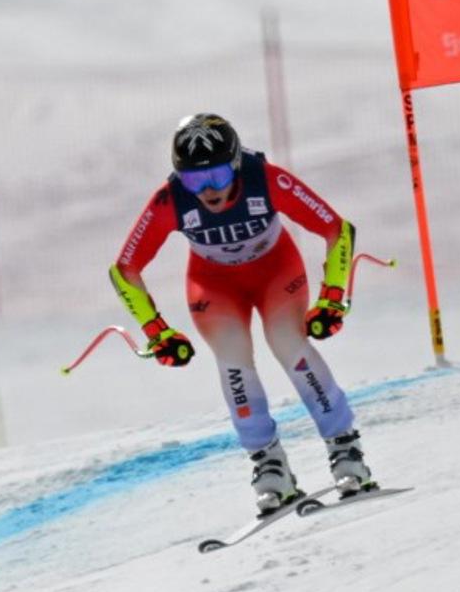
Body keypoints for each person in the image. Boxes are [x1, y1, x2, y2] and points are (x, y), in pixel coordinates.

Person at [110, 113, 377, 516]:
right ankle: (269, 465)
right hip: (214, 285)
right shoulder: (171, 199)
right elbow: (124, 269)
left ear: (235, 164)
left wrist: (332, 298)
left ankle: (345, 449)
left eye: (216, 176)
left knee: (288, 342)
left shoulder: (265, 178)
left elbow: (337, 228)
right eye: (195, 181)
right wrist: (157, 331)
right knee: (233, 360)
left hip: (275, 272)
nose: (209, 191)